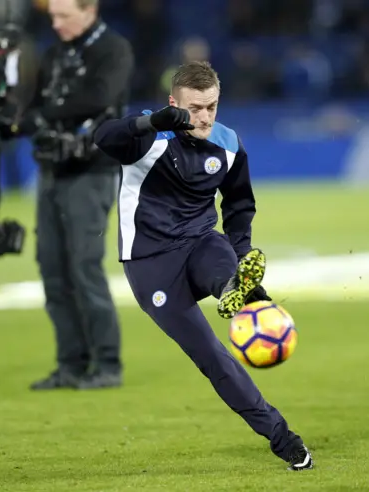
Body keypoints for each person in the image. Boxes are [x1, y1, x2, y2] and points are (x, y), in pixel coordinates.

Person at [93, 61, 314, 471]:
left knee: (224, 264)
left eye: (212, 106)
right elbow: (101, 137)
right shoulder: (147, 136)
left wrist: (243, 248)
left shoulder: (229, 143)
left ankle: (238, 290)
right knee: (212, 355)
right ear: (174, 102)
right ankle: (282, 436)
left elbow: (239, 203)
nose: (205, 117)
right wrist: (149, 122)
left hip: (200, 243)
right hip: (150, 262)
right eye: (195, 108)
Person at [0, 0, 134, 390]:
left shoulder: (113, 50)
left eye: (63, 16)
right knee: (53, 269)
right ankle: (70, 364)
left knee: (84, 266)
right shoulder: (56, 54)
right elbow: (34, 107)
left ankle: (108, 365)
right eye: (52, 17)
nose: (54, 24)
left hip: (91, 170)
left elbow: (99, 97)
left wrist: (42, 114)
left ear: (89, 11)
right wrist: (14, 118)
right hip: (52, 170)